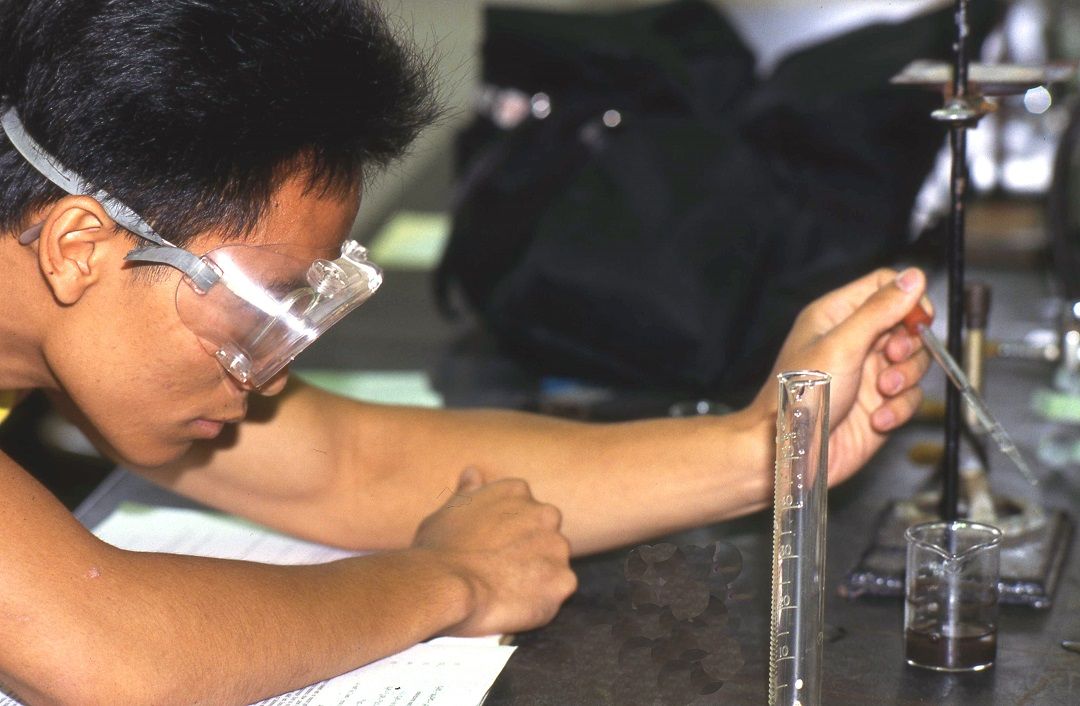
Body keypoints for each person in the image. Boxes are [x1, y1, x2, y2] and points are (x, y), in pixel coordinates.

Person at [0, 1, 931, 703]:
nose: (272, 371)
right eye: (255, 314)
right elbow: (107, 652)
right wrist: (448, 579)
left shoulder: (70, 334)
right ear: (80, 246)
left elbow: (349, 466)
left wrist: (765, 446)